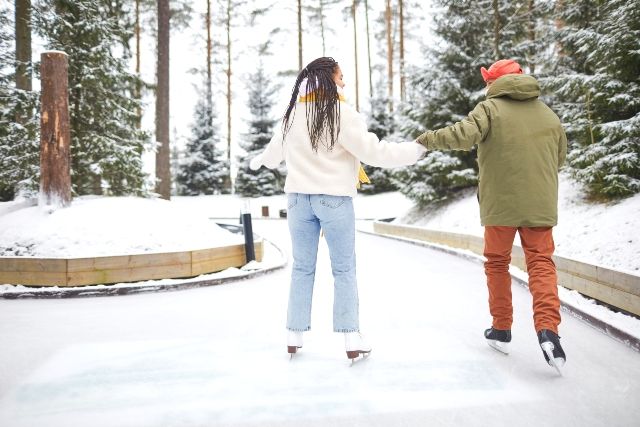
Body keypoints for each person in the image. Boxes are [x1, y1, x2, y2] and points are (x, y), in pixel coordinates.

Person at [250, 57, 425, 361]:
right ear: (328, 80)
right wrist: (415, 151)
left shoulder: (293, 113)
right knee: (343, 269)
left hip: (297, 200)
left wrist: (259, 161)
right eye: (340, 76)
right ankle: (350, 337)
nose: (344, 82)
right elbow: (375, 152)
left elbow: (274, 152)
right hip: (333, 199)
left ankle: (294, 333)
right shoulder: (340, 112)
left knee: (302, 268)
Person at [415, 59, 568, 373]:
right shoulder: (548, 115)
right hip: (539, 204)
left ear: (493, 83)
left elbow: (463, 134)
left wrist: (428, 139)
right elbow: (560, 158)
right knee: (540, 262)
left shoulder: (489, 109)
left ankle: (501, 328)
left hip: (500, 204)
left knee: (498, 262)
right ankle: (548, 329)